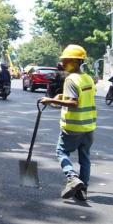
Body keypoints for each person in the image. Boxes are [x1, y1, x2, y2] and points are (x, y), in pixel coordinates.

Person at [40, 44, 97, 201]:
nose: (63, 64)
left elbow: (74, 102)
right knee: (85, 158)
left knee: (61, 151)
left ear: (74, 61)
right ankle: (82, 190)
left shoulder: (71, 79)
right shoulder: (88, 78)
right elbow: (84, 98)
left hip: (73, 126)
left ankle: (72, 177)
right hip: (89, 127)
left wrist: (50, 99)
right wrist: (60, 97)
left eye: (65, 61)